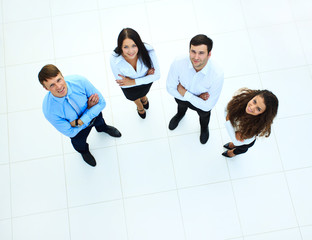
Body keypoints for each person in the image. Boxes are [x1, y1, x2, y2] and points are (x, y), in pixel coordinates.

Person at [39, 64, 121, 167]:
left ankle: (102, 128)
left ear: (62, 76)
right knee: (79, 143)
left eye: (59, 80)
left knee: (100, 122)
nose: (59, 87)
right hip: (79, 131)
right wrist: (90, 109)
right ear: (46, 88)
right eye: (52, 85)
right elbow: (71, 132)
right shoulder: (49, 110)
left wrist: (78, 122)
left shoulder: (79, 81)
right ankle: (84, 152)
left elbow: (101, 103)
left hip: (84, 121)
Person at [166, 34, 224, 144]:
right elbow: (170, 88)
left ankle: (204, 129)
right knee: (181, 106)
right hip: (182, 98)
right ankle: (180, 115)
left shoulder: (217, 74)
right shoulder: (178, 62)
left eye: (201, 53)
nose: (196, 57)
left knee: (204, 117)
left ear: (209, 54)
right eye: (193, 51)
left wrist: (185, 93)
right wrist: (197, 97)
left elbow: (208, 106)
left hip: (196, 103)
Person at [110, 28, 160, 119]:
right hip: (131, 88)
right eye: (126, 47)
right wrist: (147, 76)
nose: (131, 51)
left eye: (134, 45)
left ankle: (144, 99)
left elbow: (157, 75)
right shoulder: (114, 59)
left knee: (144, 92)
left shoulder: (148, 50)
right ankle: (140, 107)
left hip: (144, 83)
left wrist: (132, 81)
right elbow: (124, 84)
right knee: (134, 98)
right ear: (120, 46)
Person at [222, 88, 278, 158]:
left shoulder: (258, 126)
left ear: (263, 114)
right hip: (237, 132)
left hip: (245, 143)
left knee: (241, 149)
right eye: (254, 101)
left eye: (258, 109)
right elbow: (226, 108)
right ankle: (232, 145)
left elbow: (237, 142)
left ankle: (232, 153)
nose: (252, 107)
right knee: (235, 143)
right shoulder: (241, 101)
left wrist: (228, 120)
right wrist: (234, 130)